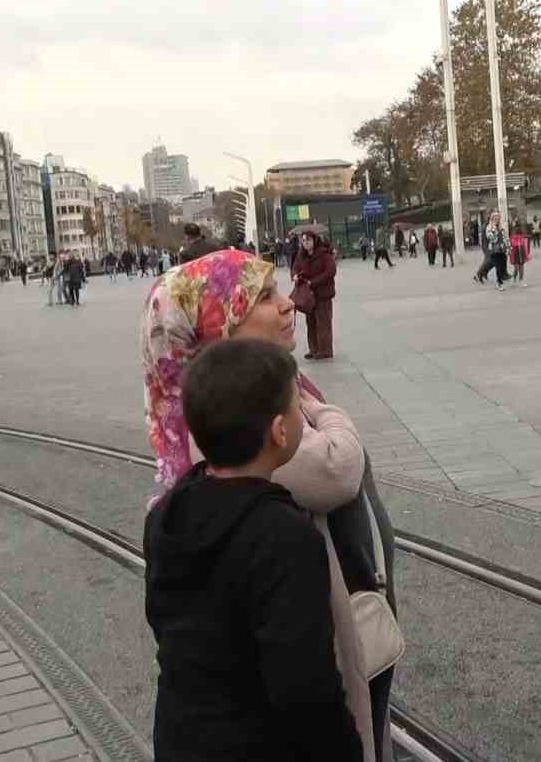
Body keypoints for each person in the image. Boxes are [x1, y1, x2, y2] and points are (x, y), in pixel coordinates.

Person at [141, 250, 397, 762]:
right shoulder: (248, 451)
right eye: (263, 297)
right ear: (220, 325)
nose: (286, 306)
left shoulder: (181, 497)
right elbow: (306, 693)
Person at [292, 233, 337, 360]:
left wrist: (314, 282)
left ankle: (325, 350)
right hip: (308, 296)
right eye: (304, 240)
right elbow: (295, 267)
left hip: (323, 294)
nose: (306, 242)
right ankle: (314, 349)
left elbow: (330, 271)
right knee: (310, 322)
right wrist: (294, 275)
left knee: (323, 322)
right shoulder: (301, 255)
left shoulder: (324, 254)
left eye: (309, 240)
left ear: (315, 240)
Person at [475, 210, 510, 291]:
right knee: (493, 263)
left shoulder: (500, 226)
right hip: (492, 248)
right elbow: (490, 238)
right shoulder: (488, 227)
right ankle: (480, 275)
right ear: (492, 218)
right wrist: (494, 229)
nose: (497, 219)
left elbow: (505, 237)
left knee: (499, 264)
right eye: (495, 217)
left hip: (501, 248)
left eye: (498, 217)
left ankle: (501, 275)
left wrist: (508, 247)